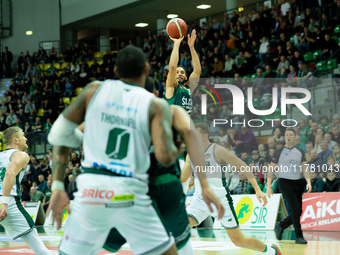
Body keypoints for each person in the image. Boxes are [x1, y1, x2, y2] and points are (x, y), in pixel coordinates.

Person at [47, 45, 222, 255]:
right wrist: (201, 180)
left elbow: (61, 136)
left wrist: (58, 184)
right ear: (149, 74)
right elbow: (169, 153)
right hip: (138, 191)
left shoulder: (95, 93)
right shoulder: (161, 107)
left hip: (93, 191)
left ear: (115, 71)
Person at [185, 123, 282, 255]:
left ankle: (271, 251)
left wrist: (258, 190)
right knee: (181, 228)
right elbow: (184, 176)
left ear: (205, 136)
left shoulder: (217, 150)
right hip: (199, 200)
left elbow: (244, 167)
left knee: (239, 241)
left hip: (220, 201)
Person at [0, 127, 51, 254]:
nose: (26, 138)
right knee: (39, 247)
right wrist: (4, 203)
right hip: (8, 201)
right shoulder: (21, 155)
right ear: (15, 140)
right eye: (23, 135)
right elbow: (9, 173)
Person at [266, 128, 311, 244]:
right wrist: (269, 186)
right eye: (287, 135)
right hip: (284, 182)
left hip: (298, 182)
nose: (289, 137)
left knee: (299, 211)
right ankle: (299, 236)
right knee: (295, 209)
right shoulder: (279, 151)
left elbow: (305, 168)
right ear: (285, 137)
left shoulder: (300, 151)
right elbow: (271, 169)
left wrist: (309, 182)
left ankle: (282, 224)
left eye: (291, 135)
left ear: (295, 137)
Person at [165, 30, 201, 114]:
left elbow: (197, 71)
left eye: (182, 72)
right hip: (173, 125)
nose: (179, 74)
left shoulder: (188, 88)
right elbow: (173, 66)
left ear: (186, 77)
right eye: (177, 72)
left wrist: (191, 48)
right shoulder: (171, 86)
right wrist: (177, 43)